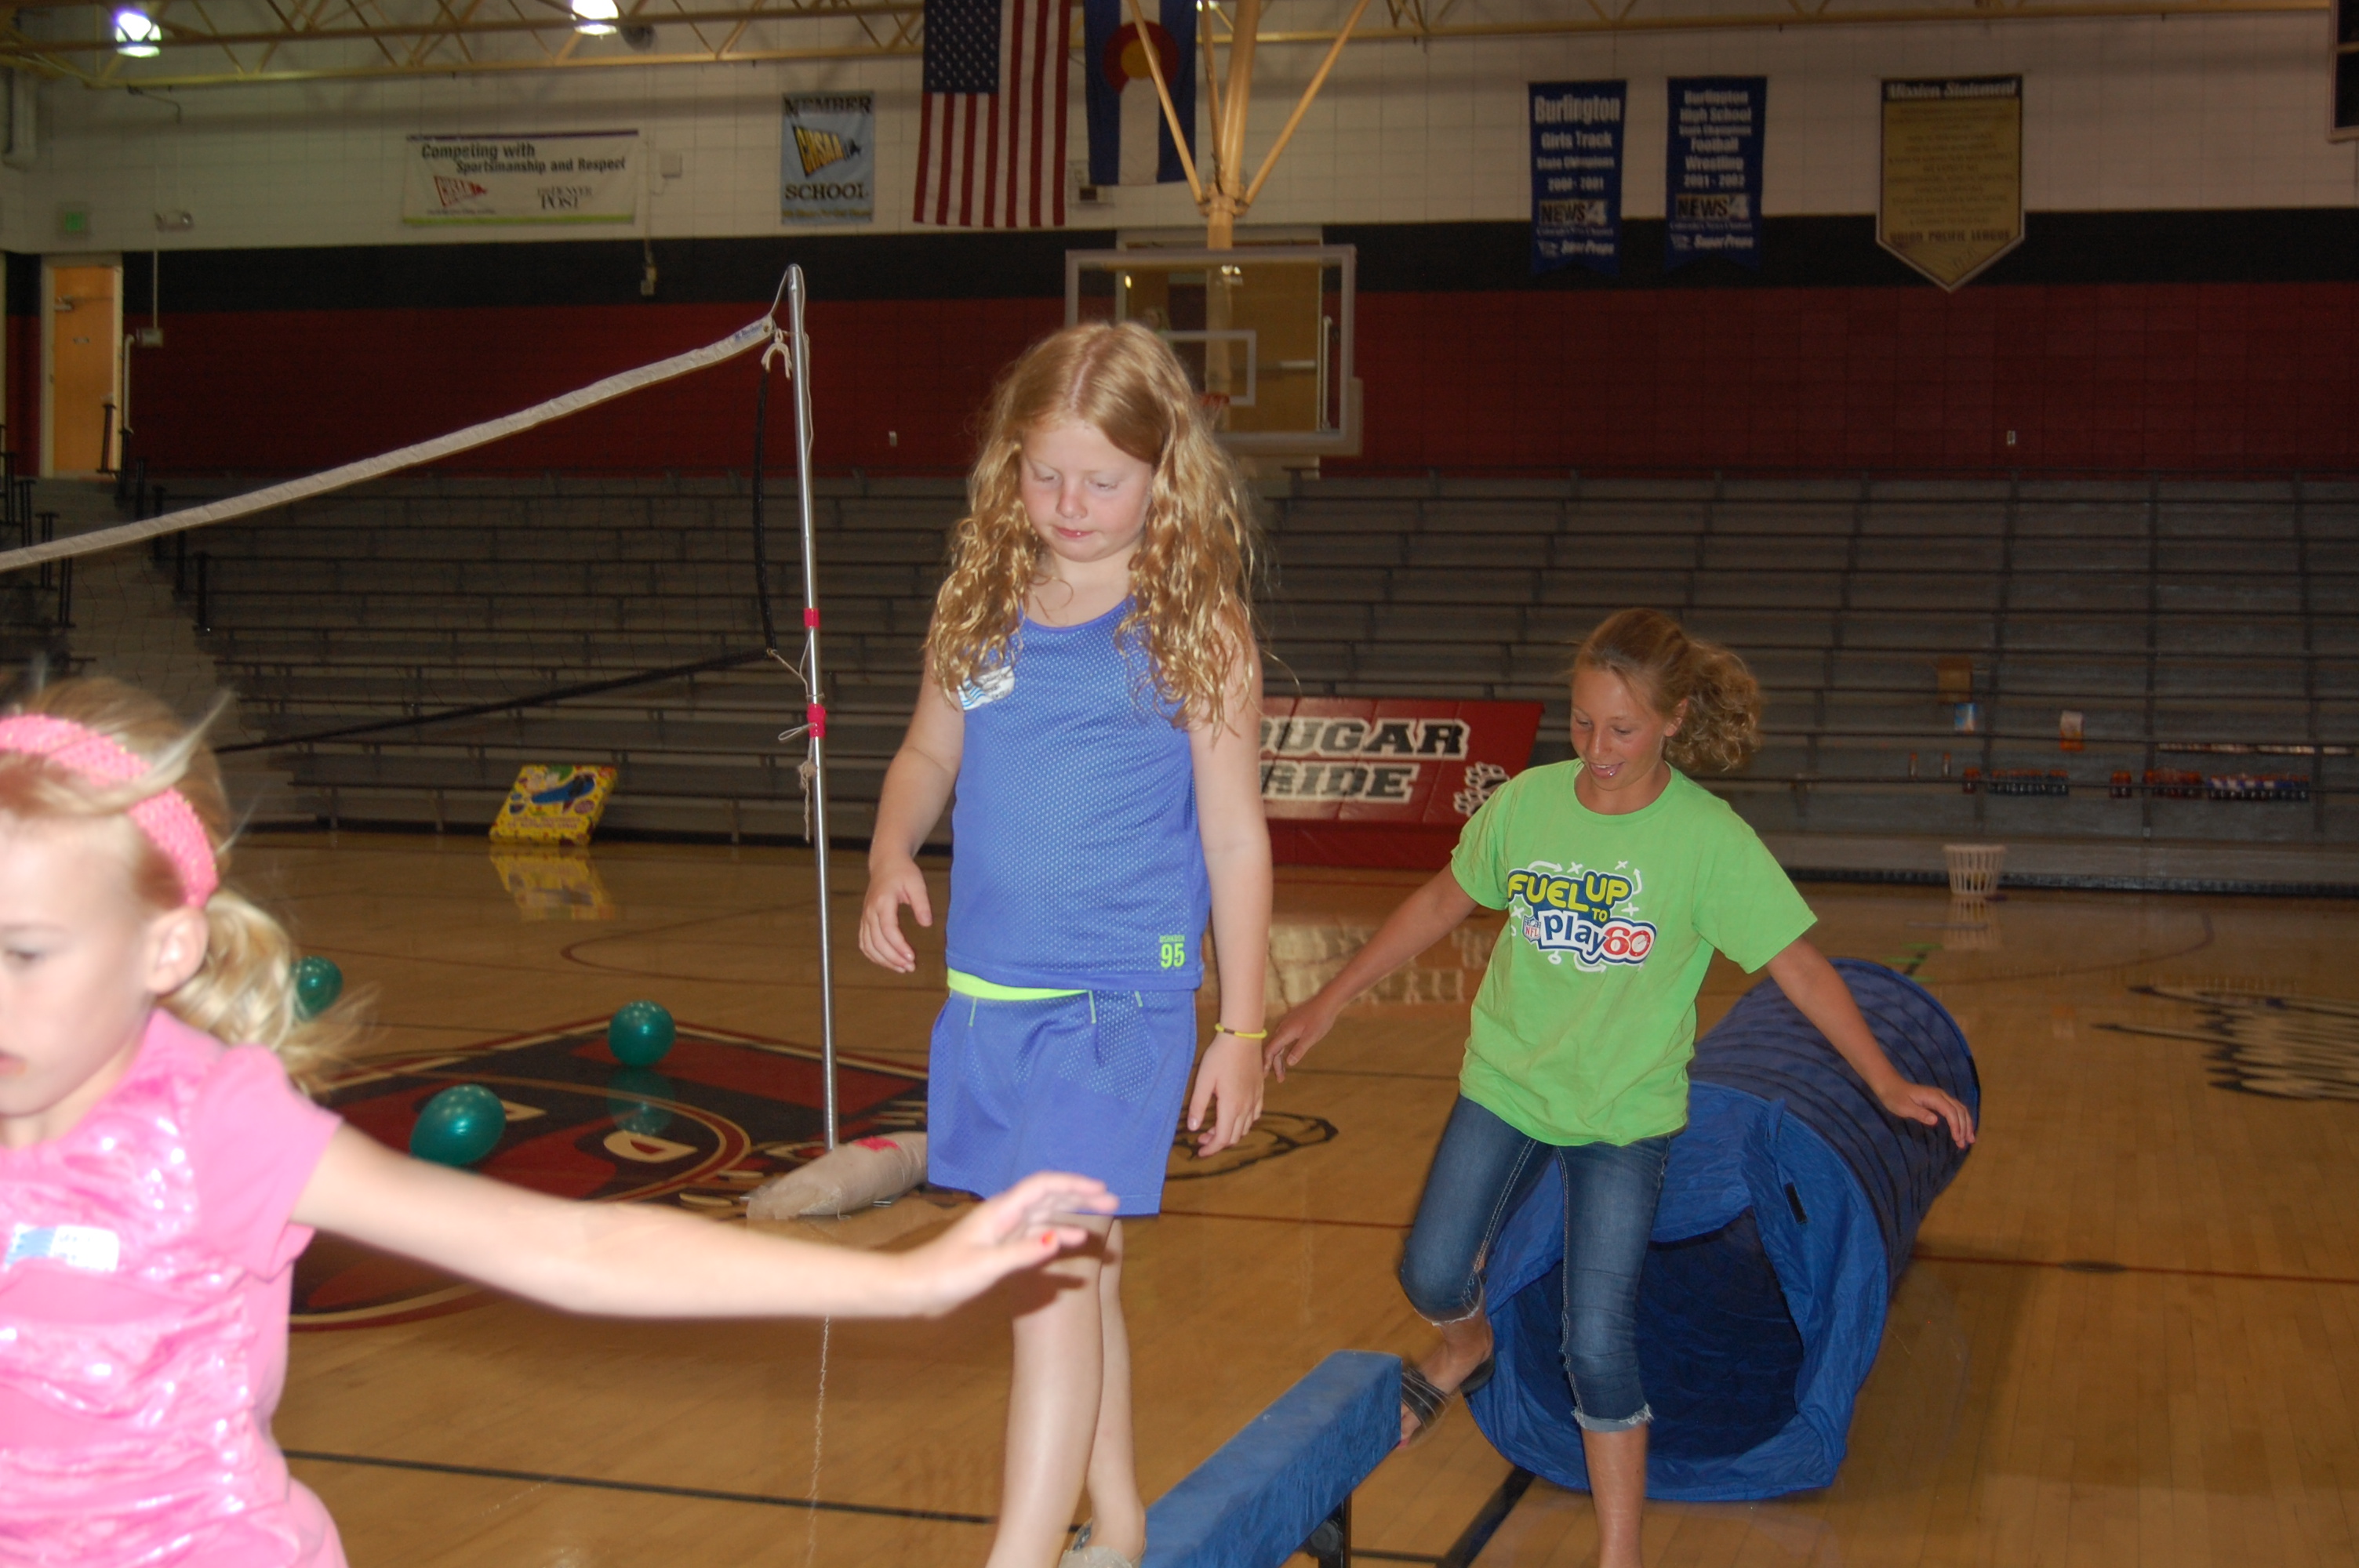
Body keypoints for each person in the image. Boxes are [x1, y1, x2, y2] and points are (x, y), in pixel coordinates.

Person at [0, 675, 1116, 1568]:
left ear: (167, 948)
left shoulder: (210, 1129)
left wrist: (907, 1283)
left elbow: (575, 1246)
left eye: (28, 952)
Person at [1265, 608, 1974, 1568]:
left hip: (1621, 1116)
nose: (1598, 749)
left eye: (1623, 728)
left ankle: (1618, 1549)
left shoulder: (1704, 839)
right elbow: (1442, 898)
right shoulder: (1527, 803)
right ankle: (1465, 1343)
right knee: (1431, 1272)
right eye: (1583, 722)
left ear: (1674, 719)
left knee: (1594, 1338)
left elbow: (1798, 967)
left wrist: (1886, 1081)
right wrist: (1328, 1000)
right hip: (1509, 1083)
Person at [858, 321, 1270, 1568]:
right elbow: (931, 752)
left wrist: (1243, 1028)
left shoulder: (1193, 624)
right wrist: (890, 852)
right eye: (1046, 474)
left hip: (1115, 1014)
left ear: (1164, 471)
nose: (1071, 504)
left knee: (1045, 1272)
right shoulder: (980, 604)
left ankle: (1020, 1556)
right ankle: (1123, 1521)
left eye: (1104, 479)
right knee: (1078, 1273)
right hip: (988, 1005)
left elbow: (1236, 838)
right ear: (1009, 462)